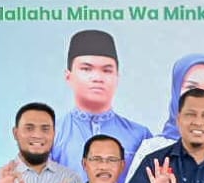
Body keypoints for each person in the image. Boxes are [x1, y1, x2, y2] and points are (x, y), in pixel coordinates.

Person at [50, 29, 151, 168]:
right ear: (68, 76)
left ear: (117, 77)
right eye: (86, 69)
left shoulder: (140, 136)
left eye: (107, 70)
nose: (97, 78)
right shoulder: (51, 135)